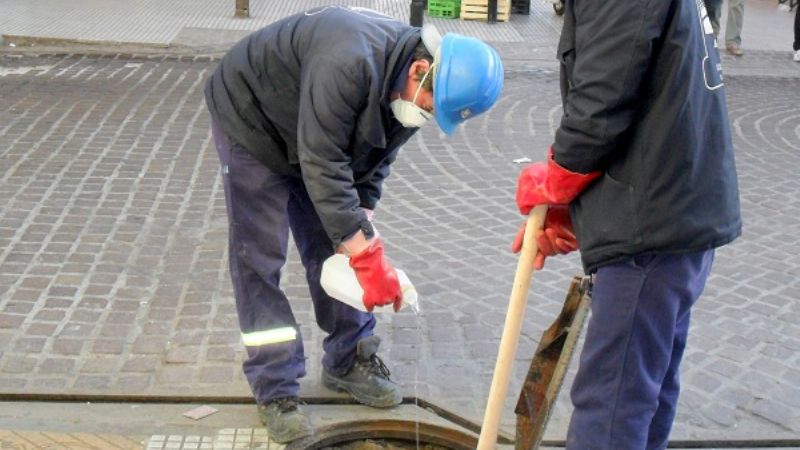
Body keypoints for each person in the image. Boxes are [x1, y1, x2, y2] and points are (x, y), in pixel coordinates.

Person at [204, 6, 503, 444]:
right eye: (428, 106)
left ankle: (350, 358)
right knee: (259, 256)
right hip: (253, 119)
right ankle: (276, 386)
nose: (423, 117)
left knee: (338, 240)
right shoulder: (348, 62)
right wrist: (365, 253)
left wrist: (362, 218)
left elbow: (374, 158)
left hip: (313, 134)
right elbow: (323, 162)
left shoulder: (416, 86)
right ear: (420, 69)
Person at [511, 0, 742, 448]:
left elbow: (601, 97)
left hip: (652, 223)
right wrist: (578, 207)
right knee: (645, 390)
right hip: (676, 208)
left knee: (614, 405)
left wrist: (559, 179)